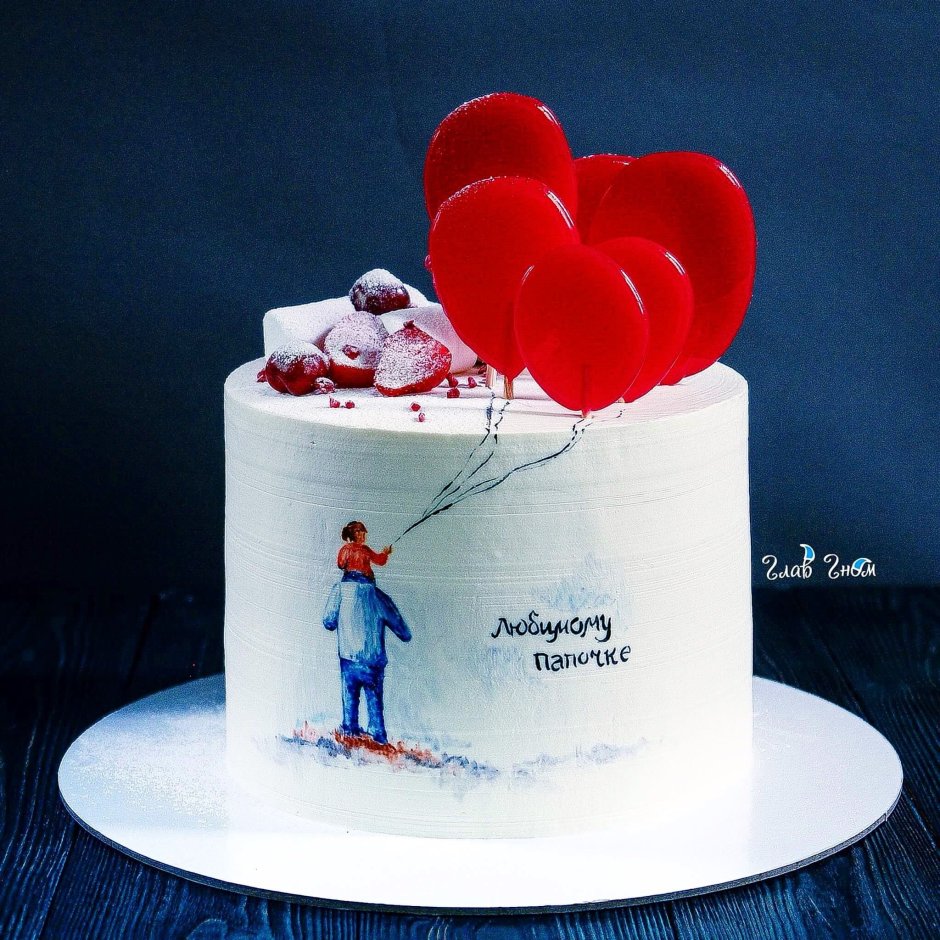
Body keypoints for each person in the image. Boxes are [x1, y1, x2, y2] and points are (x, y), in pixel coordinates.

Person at [322, 521, 411, 744]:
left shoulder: (339, 591)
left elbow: (328, 622)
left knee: (349, 700)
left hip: (348, 657)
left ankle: (350, 731)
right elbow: (402, 630)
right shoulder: (377, 596)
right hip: (373, 659)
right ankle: (378, 736)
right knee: (374, 700)